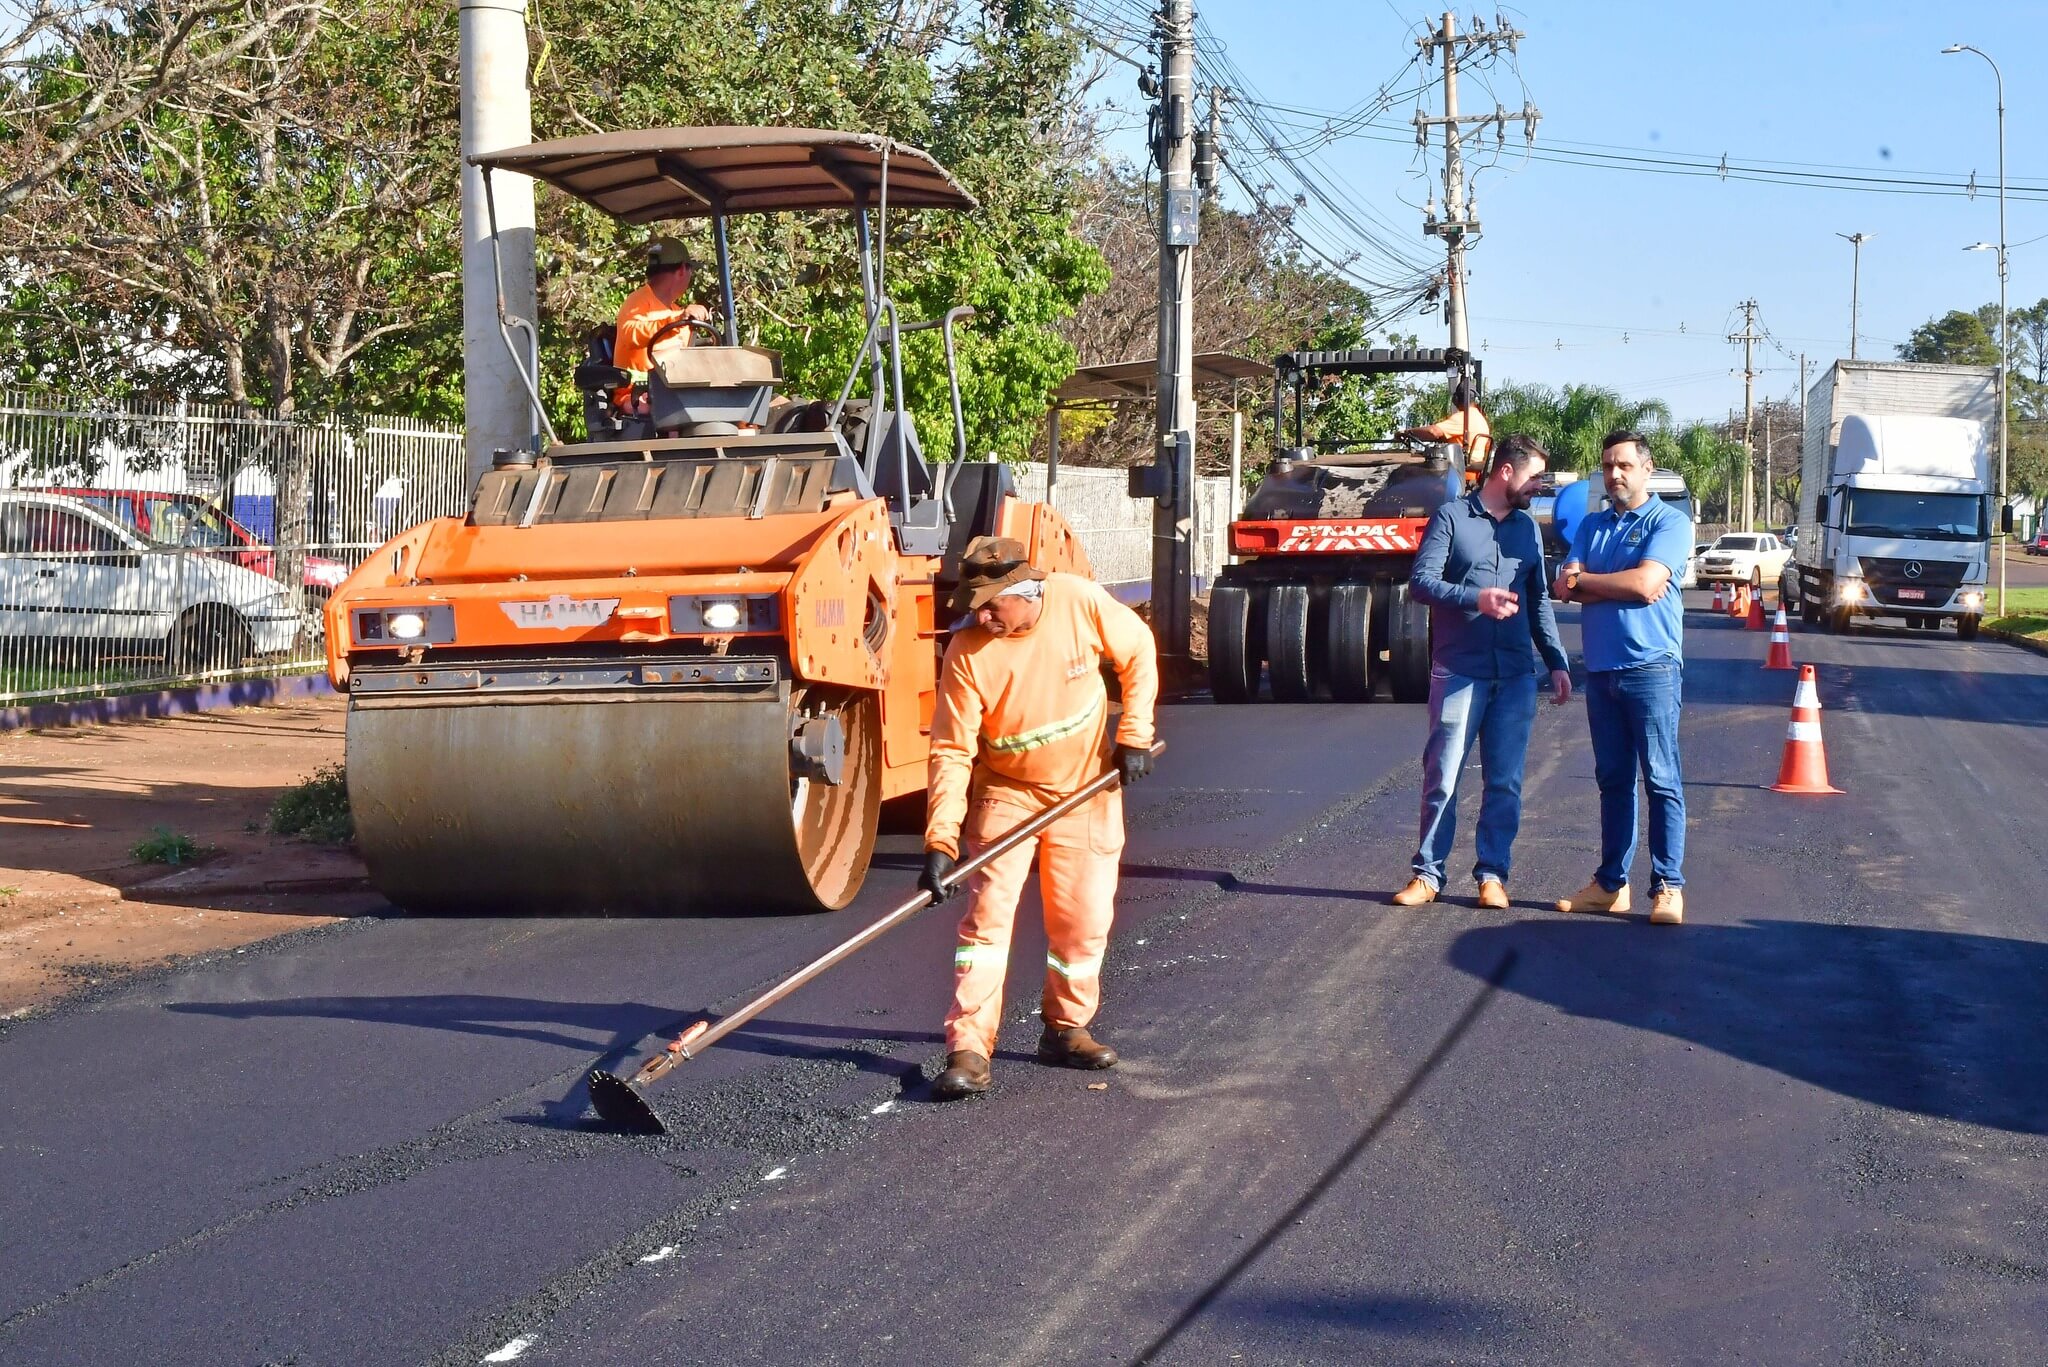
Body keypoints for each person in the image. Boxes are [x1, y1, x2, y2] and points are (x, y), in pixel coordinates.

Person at [918, 537, 1159, 1100]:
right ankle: (969, 1049)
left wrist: (1134, 734)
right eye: (974, 605)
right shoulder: (968, 653)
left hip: (1087, 790)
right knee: (986, 924)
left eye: (990, 605)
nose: (980, 616)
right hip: (1008, 793)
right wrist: (940, 840)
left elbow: (1139, 650)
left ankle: (1065, 1027)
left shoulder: (1077, 600)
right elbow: (952, 750)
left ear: (1027, 594)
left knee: (1082, 921)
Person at [1391, 434, 1572, 910]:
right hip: (1459, 670)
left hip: (1514, 676)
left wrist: (1555, 661)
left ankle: (1492, 874)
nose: (1539, 487)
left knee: (1506, 783)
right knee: (1443, 777)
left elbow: (1536, 602)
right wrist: (1476, 598)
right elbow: (1421, 583)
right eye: (1534, 477)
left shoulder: (1528, 530)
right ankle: (1427, 875)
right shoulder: (1451, 518)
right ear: (1506, 472)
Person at [1551, 430, 1693, 925]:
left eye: (1625, 465)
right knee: (1613, 780)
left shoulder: (1669, 522)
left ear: (1646, 469)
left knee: (1660, 778)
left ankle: (1668, 886)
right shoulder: (1591, 525)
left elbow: (1647, 584)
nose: (1615, 474)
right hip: (1603, 670)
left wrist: (1588, 582)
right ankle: (1611, 885)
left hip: (1651, 668)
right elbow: (1562, 588)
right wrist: (1612, 585)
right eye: (1608, 465)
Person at [610, 236, 712, 413]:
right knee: (676, 413)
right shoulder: (637, 302)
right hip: (638, 392)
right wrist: (676, 319)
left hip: (674, 389)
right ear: (682, 270)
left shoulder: (676, 310)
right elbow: (630, 335)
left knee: (731, 409)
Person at [1399, 380, 1492, 470]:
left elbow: (1433, 432)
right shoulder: (1479, 418)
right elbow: (1438, 436)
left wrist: (1407, 432)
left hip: (1460, 470)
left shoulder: (1464, 418)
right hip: (1470, 468)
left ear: (1456, 398)